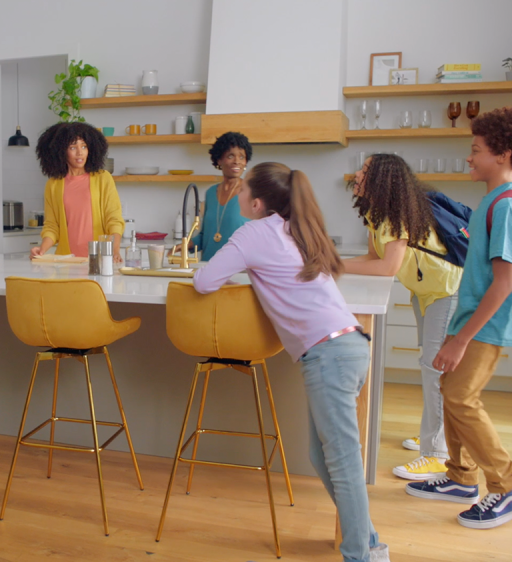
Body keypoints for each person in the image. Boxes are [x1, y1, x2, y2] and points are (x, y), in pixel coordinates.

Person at [194, 162, 390, 562]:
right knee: (325, 457)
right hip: (346, 346)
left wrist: (237, 270)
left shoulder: (253, 233)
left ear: (258, 202)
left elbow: (203, 281)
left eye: (244, 190)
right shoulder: (295, 228)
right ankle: (369, 543)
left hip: (328, 356)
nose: (239, 195)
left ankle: (362, 555)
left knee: (342, 461)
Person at [406, 105, 512, 530]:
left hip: (490, 323)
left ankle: (508, 487)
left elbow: (504, 282)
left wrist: (460, 338)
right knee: (451, 389)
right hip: (474, 318)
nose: (470, 157)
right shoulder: (492, 200)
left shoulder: (507, 207)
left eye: (476, 149)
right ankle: (461, 477)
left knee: (462, 397)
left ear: (502, 154)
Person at [343, 154, 462, 481]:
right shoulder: (374, 211)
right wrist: (333, 261)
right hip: (426, 290)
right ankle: (434, 437)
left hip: (447, 289)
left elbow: (388, 267)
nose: (357, 173)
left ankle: (436, 453)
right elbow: (372, 256)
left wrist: (333, 266)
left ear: (381, 179)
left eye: (364, 170)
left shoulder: (395, 215)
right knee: (430, 365)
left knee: (433, 367)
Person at [30, 122, 124, 261]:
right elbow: (52, 226)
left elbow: (114, 220)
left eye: (84, 146)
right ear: (61, 151)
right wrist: (42, 249)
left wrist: (115, 250)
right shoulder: (53, 184)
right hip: (67, 261)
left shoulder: (103, 178)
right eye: (73, 147)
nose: (80, 152)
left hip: (99, 259)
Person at [188, 131, 252, 261]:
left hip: (238, 268)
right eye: (230, 156)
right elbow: (205, 235)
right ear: (219, 160)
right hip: (209, 266)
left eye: (241, 157)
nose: (237, 162)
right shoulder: (211, 193)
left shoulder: (253, 192)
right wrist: (186, 245)